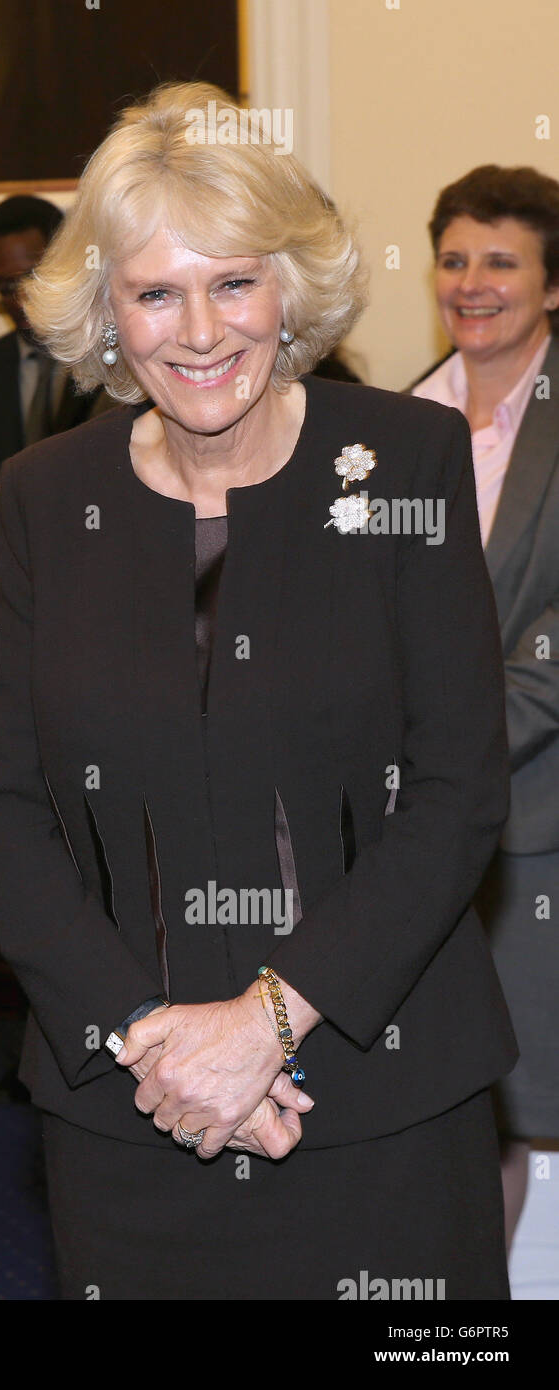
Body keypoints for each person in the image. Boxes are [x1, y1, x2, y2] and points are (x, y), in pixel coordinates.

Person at [0, 81, 517, 1300]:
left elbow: (455, 791)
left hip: (380, 1105)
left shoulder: (405, 460)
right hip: (129, 1113)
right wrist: (152, 1042)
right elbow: (7, 816)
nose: (199, 330)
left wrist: (265, 1022)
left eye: (232, 282)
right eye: (155, 291)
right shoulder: (48, 500)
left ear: (291, 287)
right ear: (105, 315)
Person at [412, 164, 559, 1250]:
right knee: (426, 1108)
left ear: (550, 285)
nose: (470, 283)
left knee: (518, 1101)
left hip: (528, 831)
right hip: (392, 832)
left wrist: (434, 760)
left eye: (499, 260)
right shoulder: (389, 421)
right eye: (453, 257)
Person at [0, 195, 113, 805]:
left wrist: (14, 495)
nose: (21, 298)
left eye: (34, 276)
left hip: (100, 622)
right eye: (5, 284)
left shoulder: (118, 363)